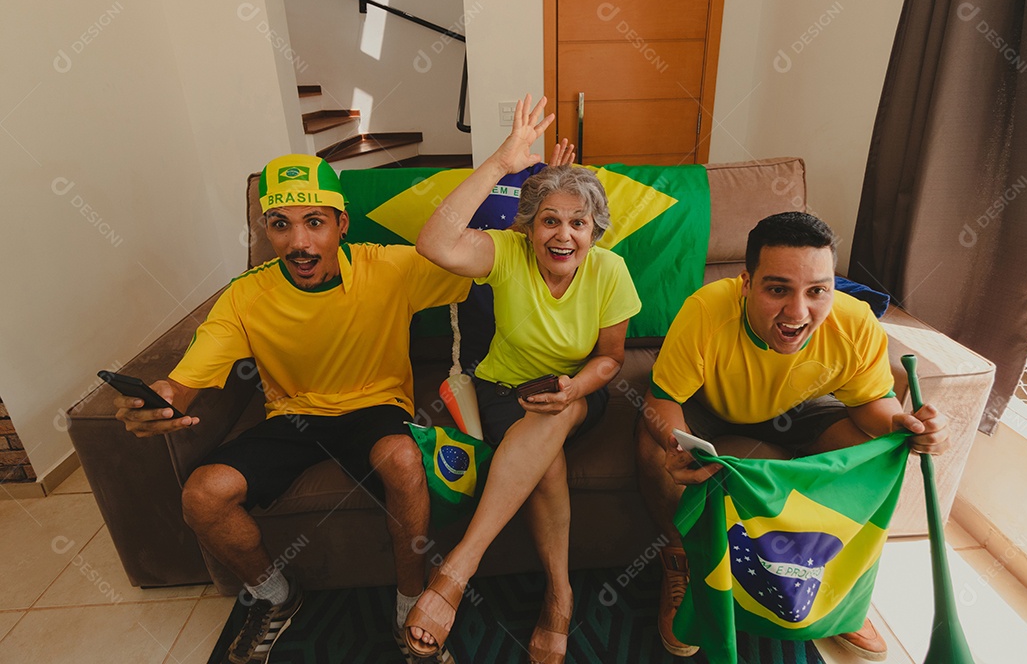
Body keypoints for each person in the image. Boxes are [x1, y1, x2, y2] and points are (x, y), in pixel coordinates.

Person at [113, 154, 470, 664]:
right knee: (202, 495)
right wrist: (160, 401)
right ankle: (276, 597)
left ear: (341, 225)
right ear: (267, 230)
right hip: (293, 417)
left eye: (315, 223)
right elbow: (183, 381)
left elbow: (480, 263)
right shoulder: (245, 295)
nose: (299, 243)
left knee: (406, 460)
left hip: (376, 405)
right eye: (281, 225)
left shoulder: (389, 267)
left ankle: (410, 602)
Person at [636, 212, 949, 662]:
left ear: (832, 288)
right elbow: (661, 398)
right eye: (777, 289)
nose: (798, 313)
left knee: (875, 452)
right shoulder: (706, 310)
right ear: (746, 283)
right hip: (711, 407)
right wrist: (677, 443)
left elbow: (870, 405)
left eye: (817, 291)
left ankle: (841, 585)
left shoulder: (855, 323)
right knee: (652, 443)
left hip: (800, 406)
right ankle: (678, 555)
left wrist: (902, 425)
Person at [403, 95, 642, 664]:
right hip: (503, 391)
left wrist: (578, 388)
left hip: (577, 391)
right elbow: (434, 244)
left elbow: (611, 357)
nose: (564, 236)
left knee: (560, 411)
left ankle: (455, 572)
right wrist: (500, 163)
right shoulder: (506, 254)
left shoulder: (610, 270)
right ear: (528, 227)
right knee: (547, 458)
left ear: (594, 230)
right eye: (550, 221)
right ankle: (559, 597)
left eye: (578, 223)